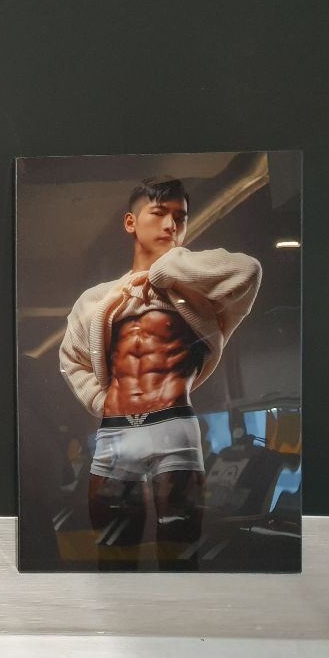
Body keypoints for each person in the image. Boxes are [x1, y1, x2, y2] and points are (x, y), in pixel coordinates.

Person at [59, 176, 261, 566]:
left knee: (180, 556)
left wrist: (170, 267)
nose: (171, 225)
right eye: (159, 213)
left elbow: (248, 271)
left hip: (173, 427)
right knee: (114, 554)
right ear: (131, 222)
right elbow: (71, 359)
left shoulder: (193, 293)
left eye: (180, 217)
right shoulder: (98, 299)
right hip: (116, 431)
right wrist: (99, 400)